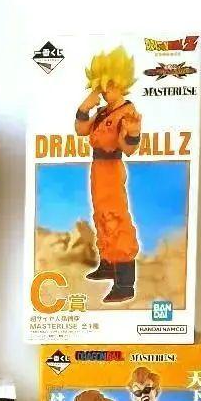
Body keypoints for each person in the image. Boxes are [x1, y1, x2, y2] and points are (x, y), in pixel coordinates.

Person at [74, 46, 143, 303]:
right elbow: (82, 130)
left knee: (115, 218)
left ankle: (125, 283)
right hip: (98, 168)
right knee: (102, 216)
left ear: (122, 83)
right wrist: (86, 106)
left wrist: (133, 133)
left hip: (111, 168)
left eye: (109, 85)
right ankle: (108, 263)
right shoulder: (104, 110)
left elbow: (129, 149)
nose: (105, 91)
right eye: (102, 86)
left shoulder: (127, 112)